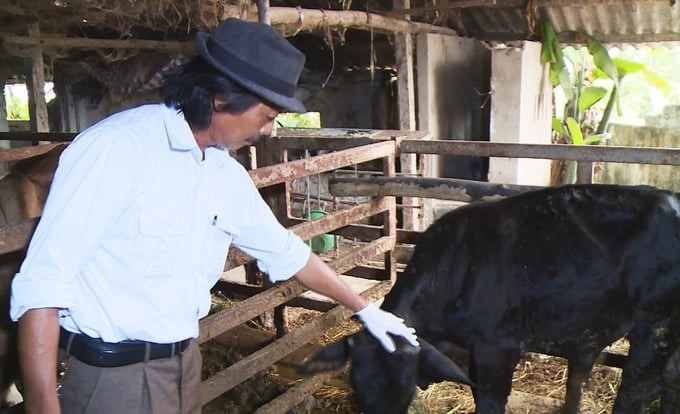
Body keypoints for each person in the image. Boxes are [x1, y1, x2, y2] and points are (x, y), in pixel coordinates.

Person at [9, 17, 418, 414]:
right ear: (221, 98)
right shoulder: (117, 150)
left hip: (183, 365)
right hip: (110, 377)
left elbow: (286, 252)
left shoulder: (222, 172)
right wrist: (43, 404)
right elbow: (43, 284)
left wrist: (364, 309)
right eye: (268, 116)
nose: (271, 131)